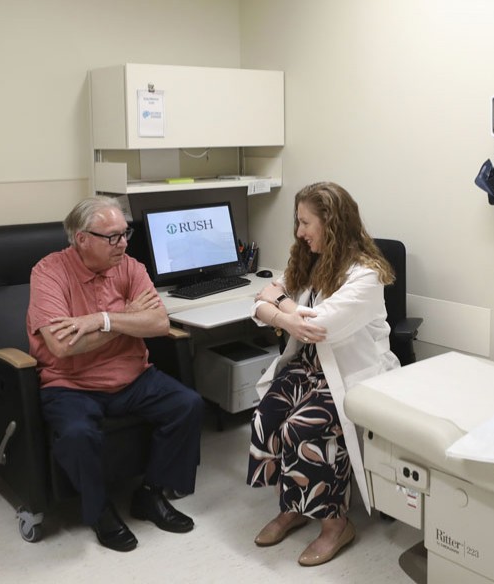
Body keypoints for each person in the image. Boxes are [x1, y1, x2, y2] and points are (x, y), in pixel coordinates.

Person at [27, 195, 204, 553]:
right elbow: (62, 346)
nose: (123, 244)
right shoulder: (47, 273)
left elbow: (157, 322)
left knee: (188, 405)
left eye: (126, 234)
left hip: (133, 376)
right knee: (77, 433)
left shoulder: (131, 267)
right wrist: (125, 317)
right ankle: (99, 510)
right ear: (82, 238)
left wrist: (101, 319)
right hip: (70, 384)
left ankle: (150, 494)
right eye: (113, 237)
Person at [247, 181, 400, 566]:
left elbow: (315, 325)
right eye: (298, 222)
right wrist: (281, 309)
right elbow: (259, 304)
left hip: (350, 374)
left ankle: (335, 524)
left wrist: (277, 306)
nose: (299, 232)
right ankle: (295, 505)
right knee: (267, 412)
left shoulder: (365, 275)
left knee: (303, 428)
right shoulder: (308, 257)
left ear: (331, 223)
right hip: (308, 366)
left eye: (305, 223)